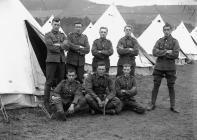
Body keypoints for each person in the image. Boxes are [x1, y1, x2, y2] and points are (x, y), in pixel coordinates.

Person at [147, 23, 180, 113]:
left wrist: (161, 52)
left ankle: (173, 106)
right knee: (156, 85)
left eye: (168, 30)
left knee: (171, 86)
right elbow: (154, 52)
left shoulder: (175, 41)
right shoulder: (159, 41)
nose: (166, 31)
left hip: (170, 68)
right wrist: (166, 51)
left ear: (171, 30)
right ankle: (152, 104)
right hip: (159, 67)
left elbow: (176, 54)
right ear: (163, 31)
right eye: (165, 30)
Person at [44, 17, 68, 109]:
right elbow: (51, 48)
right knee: (49, 82)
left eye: (58, 25)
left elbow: (67, 45)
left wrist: (59, 45)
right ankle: (46, 102)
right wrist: (61, 46)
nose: (57, 26)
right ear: (52, 24)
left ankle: (58, 102)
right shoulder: (48, 35)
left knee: (61, 81)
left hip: (61, 61)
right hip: (51, 61)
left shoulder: (63, 35)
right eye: (55, 24)